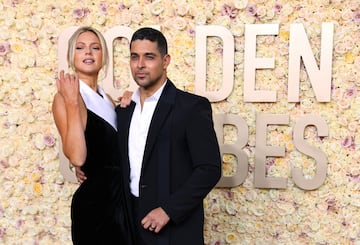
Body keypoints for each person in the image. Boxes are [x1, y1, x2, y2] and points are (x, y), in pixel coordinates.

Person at [116, 27, 222, 245]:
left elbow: (209, 169)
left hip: (174, 229)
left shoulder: (192, 107)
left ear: (165, 61)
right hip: (130, 227)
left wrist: (169, 210)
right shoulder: (124, 110)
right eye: (134, 57)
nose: (140, 65)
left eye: (149, 57)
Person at [52, 26, 133, 244]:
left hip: (122, 201)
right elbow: (77, 157)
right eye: (80, 47)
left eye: (95, 48)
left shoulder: (107, 98)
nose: (88, 52)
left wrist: (130, 105)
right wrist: (71, 101)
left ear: (104, 57)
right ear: (71, 57)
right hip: (95, 204)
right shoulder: (64, 98)